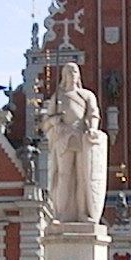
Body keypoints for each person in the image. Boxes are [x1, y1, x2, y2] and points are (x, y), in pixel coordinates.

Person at [42, 62, 107, 223]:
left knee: (83, 177)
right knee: (64, 176)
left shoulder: (87, 95)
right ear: (63, 76)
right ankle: (61, 214)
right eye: (68, 72)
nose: (72, 74)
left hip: (82, 137)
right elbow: (46, 123)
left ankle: (83, 213)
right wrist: (54, 121)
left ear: (79, 75)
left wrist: (92, 128)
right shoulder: (58, 97)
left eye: (75, 71)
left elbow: (93, 114)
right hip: (64, 138)